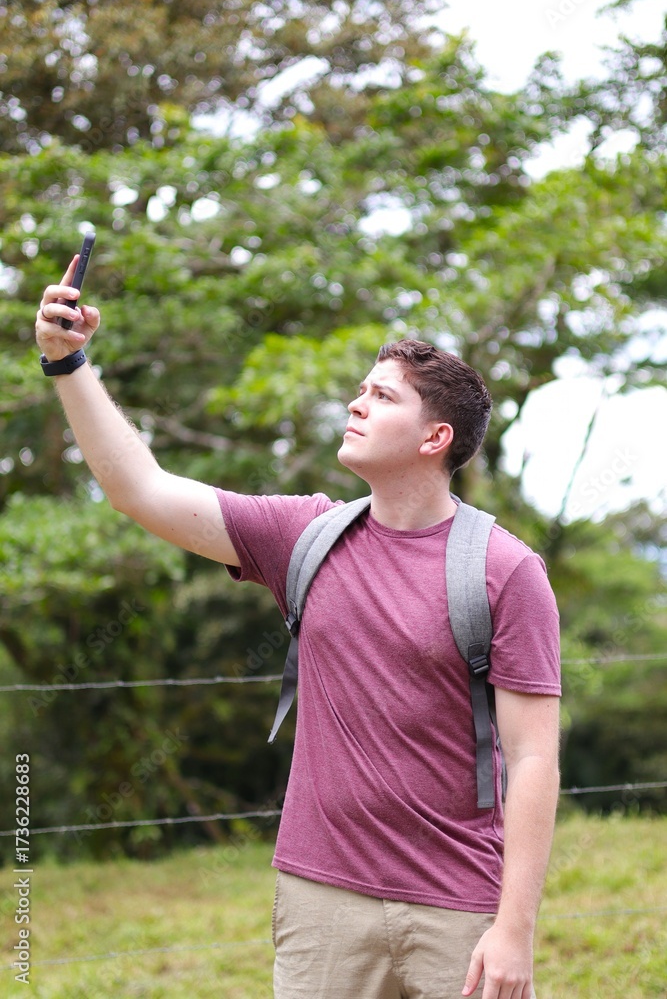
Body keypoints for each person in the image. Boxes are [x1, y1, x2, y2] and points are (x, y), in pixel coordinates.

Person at [36, 257, 561, 999]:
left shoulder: (505, 570)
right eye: (361, 390)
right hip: (321, 902)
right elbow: (138, 488)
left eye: (381, 396)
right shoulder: (303, 536)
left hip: (458, 905)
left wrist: (513, 929)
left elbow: (534, 758)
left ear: (434, 437)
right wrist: (69, 364)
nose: (355, 404)